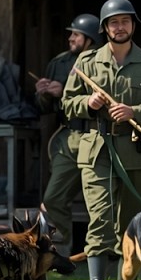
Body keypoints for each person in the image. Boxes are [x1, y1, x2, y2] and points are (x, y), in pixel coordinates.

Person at [62, 0, 141, 280]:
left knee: (133, 219)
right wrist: (88, 103)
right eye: (114, 22)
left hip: (137, 151)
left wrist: (134, 111)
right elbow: (67, 103)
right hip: (97, 149)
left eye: (125, 21)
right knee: (99, 216)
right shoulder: (85, 62)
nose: (120, 27)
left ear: (133, 25)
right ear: (105, 28)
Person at [35, 13, 100, 256]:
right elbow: (43, 110)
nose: (70, 38)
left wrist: (64, 92)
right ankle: (65, 252)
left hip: (97, 135)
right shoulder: (59, 62)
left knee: (100, 201)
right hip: (68, 136)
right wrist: (43, 93)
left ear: (90, 38)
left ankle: (105, 255)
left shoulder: (103, 61)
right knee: (53, 198)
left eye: (76, 34)